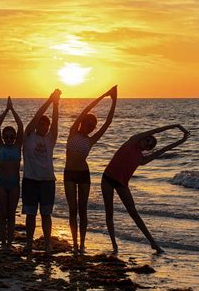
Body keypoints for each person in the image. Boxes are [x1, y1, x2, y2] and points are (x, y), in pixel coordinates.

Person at [101, 124, 190, 254]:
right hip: (107, 179)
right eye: (147, 138)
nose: (147, 141)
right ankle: (114, 246)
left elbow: (162, 150)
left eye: (149, 143)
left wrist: (181, 141)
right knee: (109, 213)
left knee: (134, 213)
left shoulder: (142, 159)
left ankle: (153, 244)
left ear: (148, 148)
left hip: (122, 184)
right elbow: (155, 130)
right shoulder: (132, 141)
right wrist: (175, 126)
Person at [64, 85, 117, 253]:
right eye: (89, 123)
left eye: (93, 125)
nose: (91, 126)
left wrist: (114, 101)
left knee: (83, 210)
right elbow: (86, 109)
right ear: (82, 123)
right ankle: (74, 243)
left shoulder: (91, 140)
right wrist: (103, 95)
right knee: (73, 210)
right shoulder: (73, 132)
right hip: (69, 174)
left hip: (84, 175)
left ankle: (82, 244)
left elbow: (108, 122)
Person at [22, 89, 61, 253]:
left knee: (46, 214)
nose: (45, 127)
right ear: (37, 124)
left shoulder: (50, 139)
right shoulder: (28, 136)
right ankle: (29, 243)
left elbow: (56, 120)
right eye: (42, 124)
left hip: (47, 182)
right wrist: (49, 100)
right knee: (30, 215)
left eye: (47, 125)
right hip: (30, 181)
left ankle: (46, 244)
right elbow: (37, 116)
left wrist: (56, 104)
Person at [0, 97, 23, 250]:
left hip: (14, 185)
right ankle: (3, 242)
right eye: (7, 137)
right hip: (0, 183)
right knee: (2, 214)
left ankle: (10, 242)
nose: (9, 139)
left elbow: (20, 126)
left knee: (11, 215)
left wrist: (13, 110)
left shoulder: (18, 145)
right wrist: (6, 110)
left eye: (12, 137)